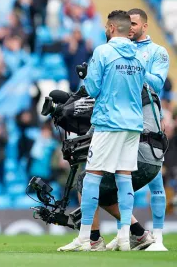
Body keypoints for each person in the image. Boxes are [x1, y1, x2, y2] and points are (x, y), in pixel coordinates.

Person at [58, 10, 146, 252]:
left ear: (109, 28)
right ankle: (126, 237)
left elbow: (93, 88)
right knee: (123, 177)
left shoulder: (103, 51)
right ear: (128, 29)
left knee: (91, 178)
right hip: (133, 124)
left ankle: (87, 237)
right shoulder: (139, 56)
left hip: (109, 122)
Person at [66, 83, 164, 252]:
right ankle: (139, 234)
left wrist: (86, 137)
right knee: (104, 194)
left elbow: (109, 119)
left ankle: (93, 239)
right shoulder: (147, 89)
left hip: (139, 154)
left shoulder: (123, 87)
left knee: (87, 181)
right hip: (154, 158)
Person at [125, 8, 170, 252]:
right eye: (127, 23)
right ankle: (125, 234)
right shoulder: (119, 49)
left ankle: (159, 237)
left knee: (155, 181)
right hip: (121, 121)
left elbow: (158, 83)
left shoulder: (157, 52)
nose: (130, 27)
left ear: (145, 25)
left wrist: (133, 65)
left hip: (148, 120)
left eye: (134, 23)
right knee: (122, 179)